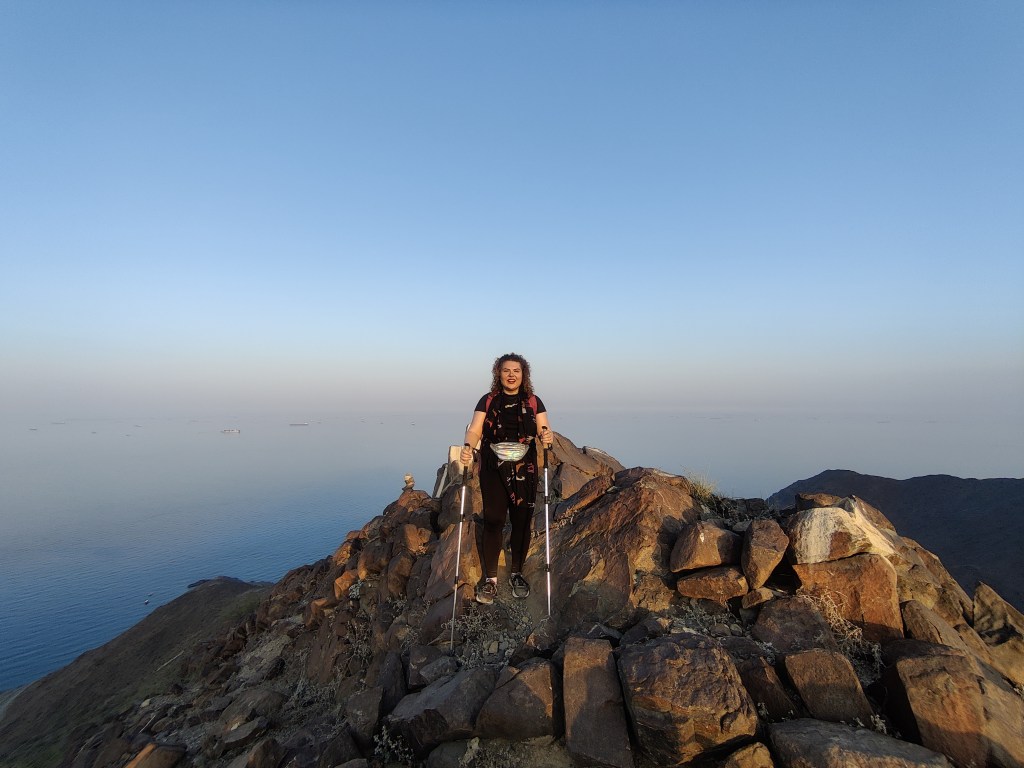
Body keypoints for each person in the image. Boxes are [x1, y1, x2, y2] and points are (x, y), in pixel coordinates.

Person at [460, 353, 553, 604]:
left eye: (516, 371)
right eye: (506, 370)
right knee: (494, 519)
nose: (511, 375)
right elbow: (475, 429)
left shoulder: (533, 401)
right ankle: (490, 580)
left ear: (524, 375)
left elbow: (545, 430)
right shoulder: (488, 400)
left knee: (522, 521)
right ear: (498, 374)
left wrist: (547, 437)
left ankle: (516, 574)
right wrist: (468, 446)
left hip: (525, 467)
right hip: (493, 466)